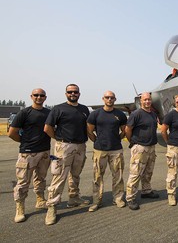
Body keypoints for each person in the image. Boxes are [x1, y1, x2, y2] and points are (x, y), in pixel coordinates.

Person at [44, 84, 90, 225]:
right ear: (66, 94)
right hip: (64, 146)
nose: (73, 94)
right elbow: (47, 128)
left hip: (80, 146)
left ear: (79, 93)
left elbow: (88, 127)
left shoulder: (84, 109)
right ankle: (52, 207)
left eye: (75, 92)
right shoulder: (58, 109)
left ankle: (73, 198)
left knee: (75, 174)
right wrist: (59, 140)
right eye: (70, 92)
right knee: (59, 177)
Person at [8, 88, 51, 223]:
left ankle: (40, 199)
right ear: (31, 96)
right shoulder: (24, 113)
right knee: (23, 181)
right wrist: (24, 142)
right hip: (27, 153)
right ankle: (20, 207)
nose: (39, 97)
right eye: (36, 95)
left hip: (44, 151)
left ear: (45, 97)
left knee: (41, 178)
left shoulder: (48, 113)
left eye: (41, 95)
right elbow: (12, 133)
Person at [86, 91, 127, 212]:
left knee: (118, 176)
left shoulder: (120, 114)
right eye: (107, 97)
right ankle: (96, 201)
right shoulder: (95, 114)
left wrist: (116, 139)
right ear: (103, 99)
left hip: (116, 149)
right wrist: (97, 141)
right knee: (97, 176)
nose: (109, 99)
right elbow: (89, 131)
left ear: (115, 99)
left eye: (112, 97)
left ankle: (118, 198)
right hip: (100, 150)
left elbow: (124, 130)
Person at [125, 92, 159, 210]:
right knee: (135, 173)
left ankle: (146, 191)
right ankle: (130, 197)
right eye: (145, 100)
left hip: (151, 147)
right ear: (141, 101)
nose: (147, 102)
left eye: (149, 100)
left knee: (148, 172)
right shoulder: (136, 114)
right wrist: (133, 143)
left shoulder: (153, 114)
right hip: (140, 147)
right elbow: (128, 129)